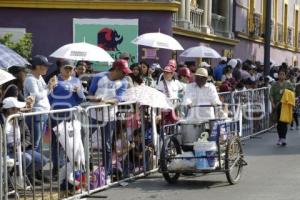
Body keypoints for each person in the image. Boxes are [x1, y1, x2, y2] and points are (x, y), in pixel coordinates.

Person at [88, 59, 132, 181]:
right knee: (85, 141)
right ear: (116, 70)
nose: (125, 74)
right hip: (93, 115)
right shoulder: (98, 77)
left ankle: (106, 173)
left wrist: (104, 102)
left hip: (110, 116)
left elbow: (119, 98)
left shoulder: (123, 82)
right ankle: (86, 170)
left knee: (107, 144)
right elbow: (90, 94)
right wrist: (96, 100)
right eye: (123, 72)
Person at [0, 97, 49, 185]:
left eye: (19, 108)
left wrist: (20, 146)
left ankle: (14, 176)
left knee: (42, 160)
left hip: (20, 147)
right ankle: (10, 179)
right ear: (9, 110)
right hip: (5, 150)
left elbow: (27, 136)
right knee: (27, 158)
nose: (19, 110)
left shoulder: (19, 118)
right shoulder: (1, 120)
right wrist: (10, 147)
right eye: (17, 109)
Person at [23, 55, 56, 152]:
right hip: (36, 114)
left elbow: (44, 94)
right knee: (35, 144)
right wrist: (48, 88)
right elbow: (36, 97)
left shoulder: (39, 77)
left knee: (38, 143)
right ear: (37, 66)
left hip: (42, 113)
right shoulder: (30, 79)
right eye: (45, 65)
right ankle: (31, 166)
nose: (47, 68)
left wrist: (50, 86)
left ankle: (36, 166)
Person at [270, 67, 295, 146]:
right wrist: (273, 103)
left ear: (285, 75)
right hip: (277, 105)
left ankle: (283, 138)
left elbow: (293, 92)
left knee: (284, 122)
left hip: (285, 106)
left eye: (283, 74)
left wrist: (286, 92)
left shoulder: (288, 84)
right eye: (280, 74)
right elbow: (271, 95)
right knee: (279, 123)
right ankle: (280, 138)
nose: (281, 76)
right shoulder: (274, 84)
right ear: (278, 75)